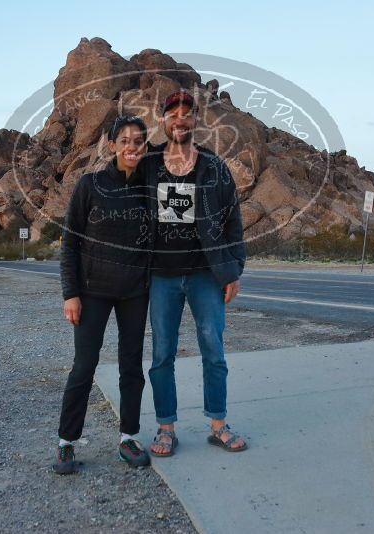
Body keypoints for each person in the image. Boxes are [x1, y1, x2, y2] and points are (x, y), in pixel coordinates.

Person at [142, 90, 248, 457]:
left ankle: (218, 424)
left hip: (206, 274)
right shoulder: (148, 163)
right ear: (163, 120)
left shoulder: (214, 167)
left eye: (187, 113)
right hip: (161, 276)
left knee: (214, 351)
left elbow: (234, 221)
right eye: (173, 114)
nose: (181, 119)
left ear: (196, 120)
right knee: (162, 354)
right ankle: (166, 428)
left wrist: (234, 270)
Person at [54, 116, 152, 475]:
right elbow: (70, 243)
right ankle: (66, 444)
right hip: (92, 292)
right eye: (125, 140)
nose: (132, 147)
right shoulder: (90, 184)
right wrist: (71, 294)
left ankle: (128, 437)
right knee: (84, 366)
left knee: (132, 367)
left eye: (139, 141)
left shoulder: (149, 189)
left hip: (135, 293)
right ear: (111, 144)